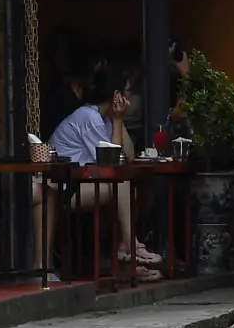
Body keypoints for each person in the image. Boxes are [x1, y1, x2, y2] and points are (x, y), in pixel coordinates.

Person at [40, 65, 163, 278]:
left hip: (82, 182)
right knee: (119, 183)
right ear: (116, 95)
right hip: (63, 187)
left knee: (129, 187)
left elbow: (129, 156)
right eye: (126, 93)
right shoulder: (88, 117)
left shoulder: (105, 119)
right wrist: (116, 120)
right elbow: (112, 163)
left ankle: (124, 254)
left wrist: (119, 120)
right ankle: (128, 246)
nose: (130, 98)